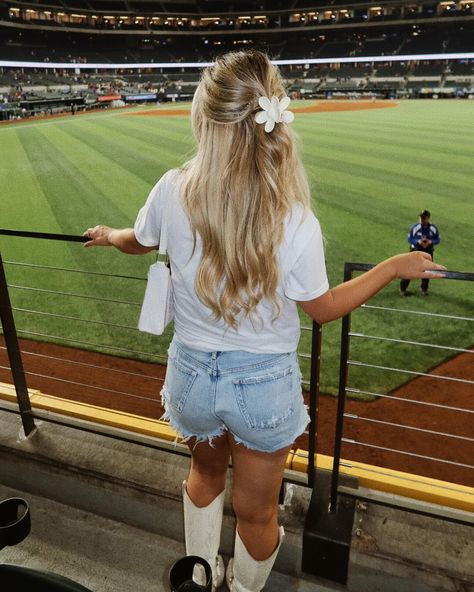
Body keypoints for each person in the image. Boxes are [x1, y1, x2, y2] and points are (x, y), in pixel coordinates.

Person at [83, 50, 445, 592]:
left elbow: (139, 242)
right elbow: (322, 309)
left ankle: (199, 580)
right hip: (264, 386)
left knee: (203, 478)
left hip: (190, 378)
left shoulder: (171, 187)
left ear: (206, 121)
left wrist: (109, 234)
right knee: (258, 514)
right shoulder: (293, 216)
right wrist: (392, 266)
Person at [400, 209, 441, 296]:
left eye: (423, 218)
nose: (421, 220)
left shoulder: (433, 228)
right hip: (415, 251)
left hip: (428, 252)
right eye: (420, 218)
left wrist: (431, 242)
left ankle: (424, 289)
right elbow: (410, 239)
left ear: (428, 218)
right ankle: (403, 289)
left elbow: (437, 239)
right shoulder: (415, 227)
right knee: (409, 269)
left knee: (427, 270)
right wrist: (417, 242)